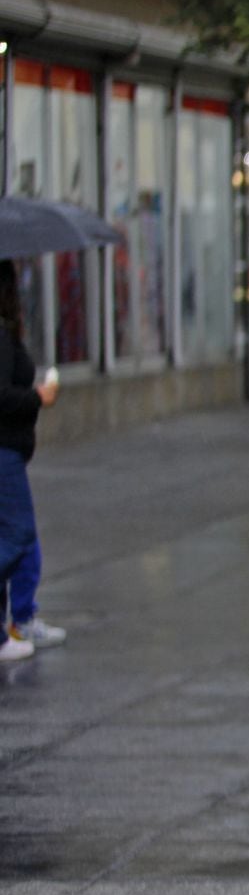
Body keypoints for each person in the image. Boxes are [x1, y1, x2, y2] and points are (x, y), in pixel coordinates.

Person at [0, 262, 58, 662]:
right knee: (17, 535)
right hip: (3, 450)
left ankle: (20, 618)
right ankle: (14, 624)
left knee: (23, 536)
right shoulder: (0, 338)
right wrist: (40, 396)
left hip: (11, 449)